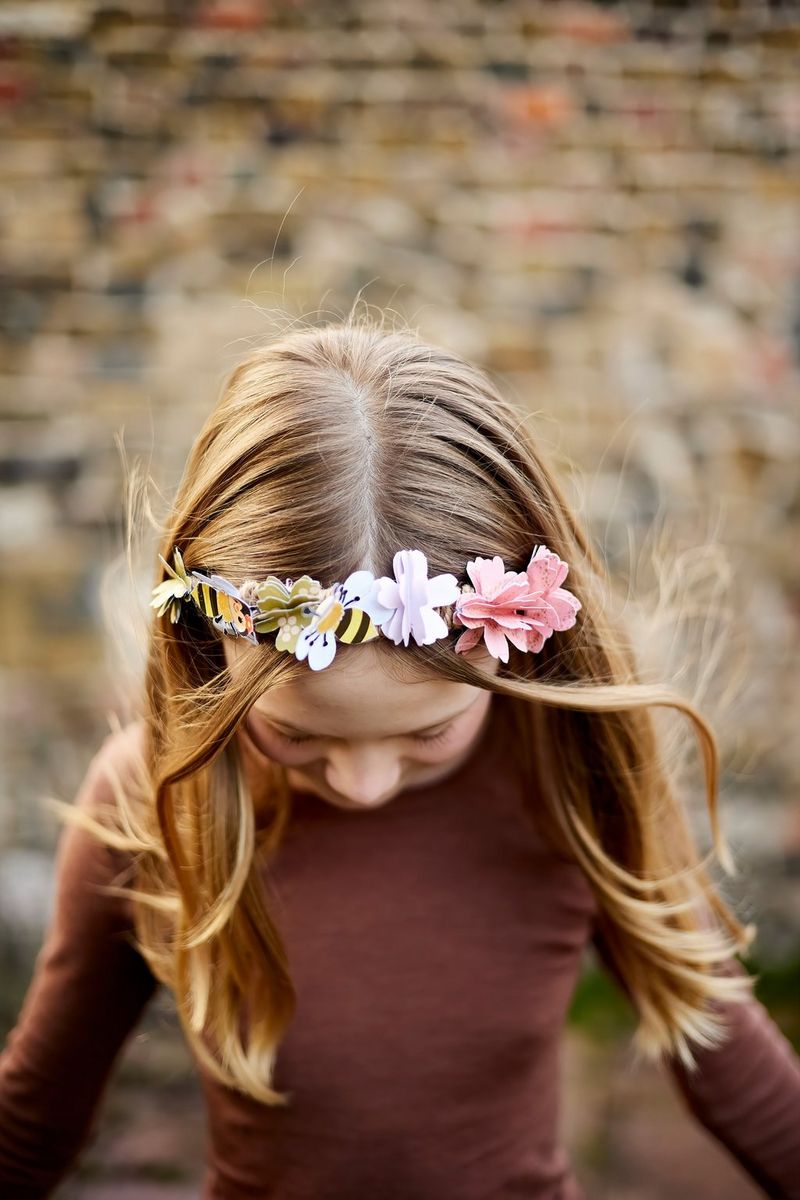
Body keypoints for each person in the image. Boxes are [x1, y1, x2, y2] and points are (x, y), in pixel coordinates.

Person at [0, 316, 798, 1200]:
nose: (365, 785)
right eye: (300, 735)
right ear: (204, 646)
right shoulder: (147, 799)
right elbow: (33, 1122)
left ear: (519, 643)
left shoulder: (572, 781)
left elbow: (727, 1053)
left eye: (427, 734)